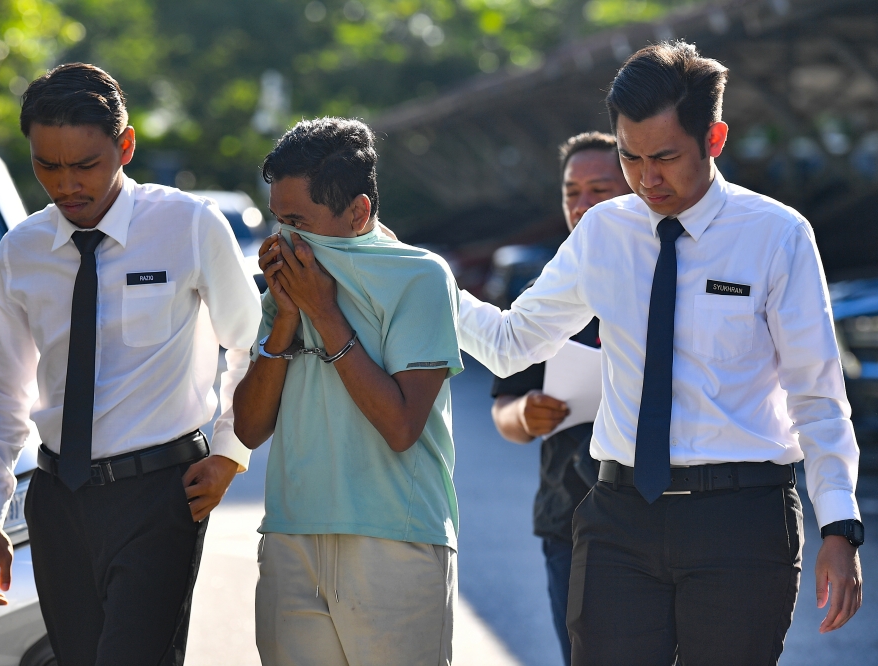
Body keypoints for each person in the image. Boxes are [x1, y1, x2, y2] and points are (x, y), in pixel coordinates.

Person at [459, 42, 863, 664]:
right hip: (618, 519)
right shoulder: (603, 232)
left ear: (715, 138)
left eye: (666, 157)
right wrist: (424, 280)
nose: (647, 178)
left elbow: (817, 395)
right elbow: (514, 344)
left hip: (743, 521)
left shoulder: (778, 237)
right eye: (630, 157)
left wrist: (839, 526)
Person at [0, 63, 261, 665]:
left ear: (124, 146)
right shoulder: (20, 250)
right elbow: (2, 388)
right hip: (56, 502)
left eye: (85, 165)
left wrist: (231, 452)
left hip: (160, 494)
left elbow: (249, 343)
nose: (66, 184)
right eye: (47, 165)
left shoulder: (189, 225)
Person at [233, 117, 463, 666]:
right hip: (292, 538)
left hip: (395, 544)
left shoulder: (420, 277)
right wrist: (286, 318)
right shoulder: (285, 286)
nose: (286, 239)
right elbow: (248, 427)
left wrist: (323, 312)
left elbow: (401, 426)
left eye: (299, 222)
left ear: (358, 212)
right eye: (278, 220)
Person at [489, 131, 631, 665]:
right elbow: (503, 407)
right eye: (572, 191)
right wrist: (525, 415)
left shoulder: (674, 274)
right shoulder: (545, 288)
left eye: (600, 189)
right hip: (568, 515)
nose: (582, 205)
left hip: (662, 516)